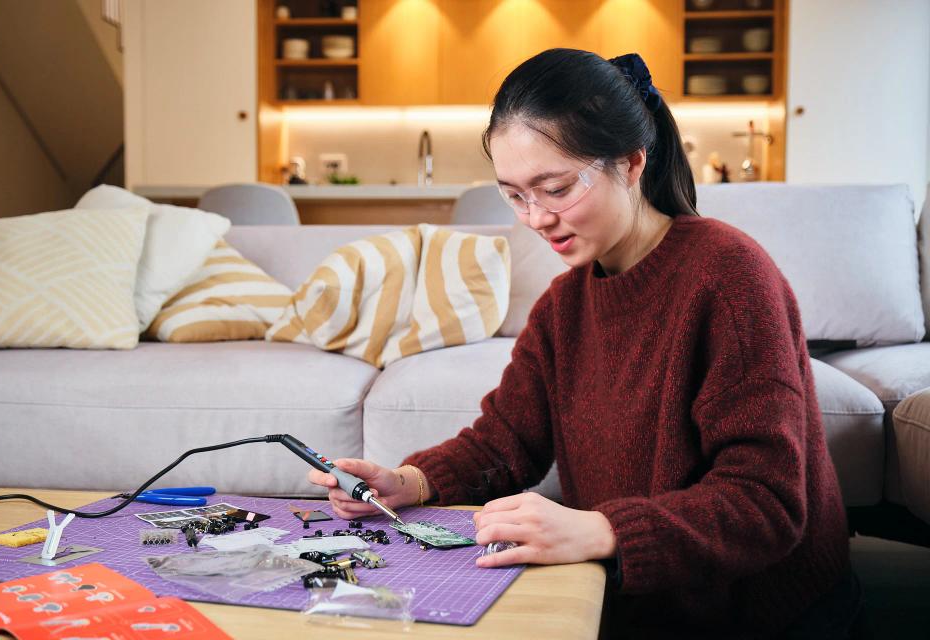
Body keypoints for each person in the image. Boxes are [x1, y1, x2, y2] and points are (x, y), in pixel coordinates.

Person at [308, 49, 866, 638]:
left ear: (630, 164)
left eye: (555, 188)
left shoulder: (730, 277)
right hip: (635, 601)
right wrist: (410, 483)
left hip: (765, 617)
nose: (536, 218)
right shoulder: (564, 305)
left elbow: (766, 504)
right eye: (515, 195)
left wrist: (604, 531)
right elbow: (506, 441)